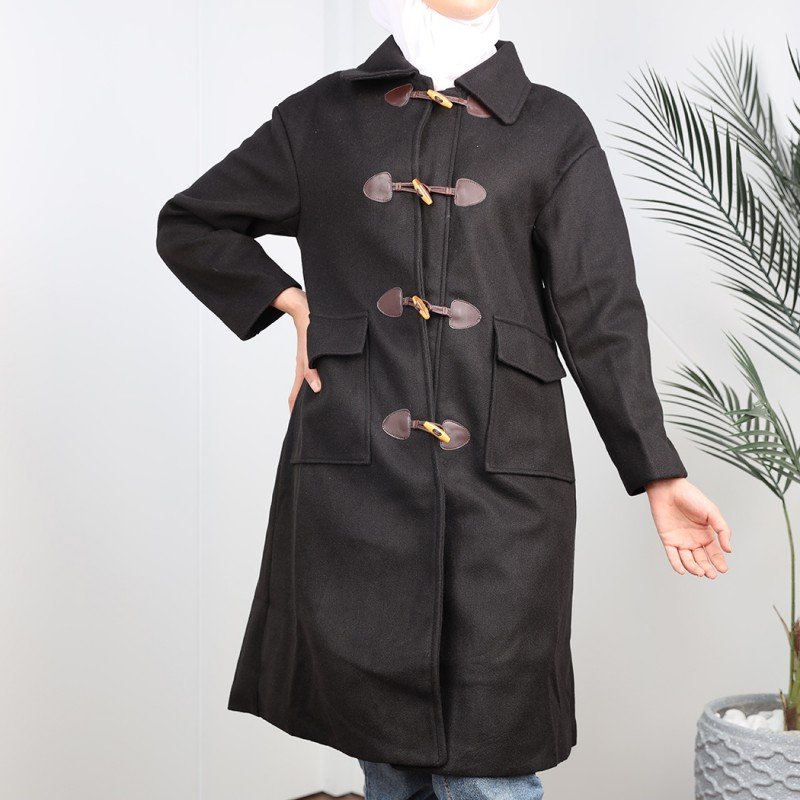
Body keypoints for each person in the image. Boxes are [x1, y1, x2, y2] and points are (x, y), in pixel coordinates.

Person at [155, 1, 732, 798]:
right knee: (387, 764)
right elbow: (191, 223)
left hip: (506, 484)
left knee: (490, 772)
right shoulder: (322, 117)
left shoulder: (551, 128)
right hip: (357, 476)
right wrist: (292, 303)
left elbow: (600, 310)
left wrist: (657, 471)